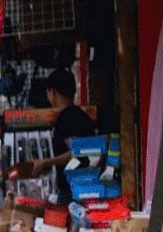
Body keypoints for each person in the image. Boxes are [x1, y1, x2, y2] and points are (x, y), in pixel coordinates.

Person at [7, 68, 100, 202]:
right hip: (79, 188)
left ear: (53, 92)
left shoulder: (68, 117)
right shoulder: (78, 115)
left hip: (74, 190)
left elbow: (77, 153)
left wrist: (46, 163)